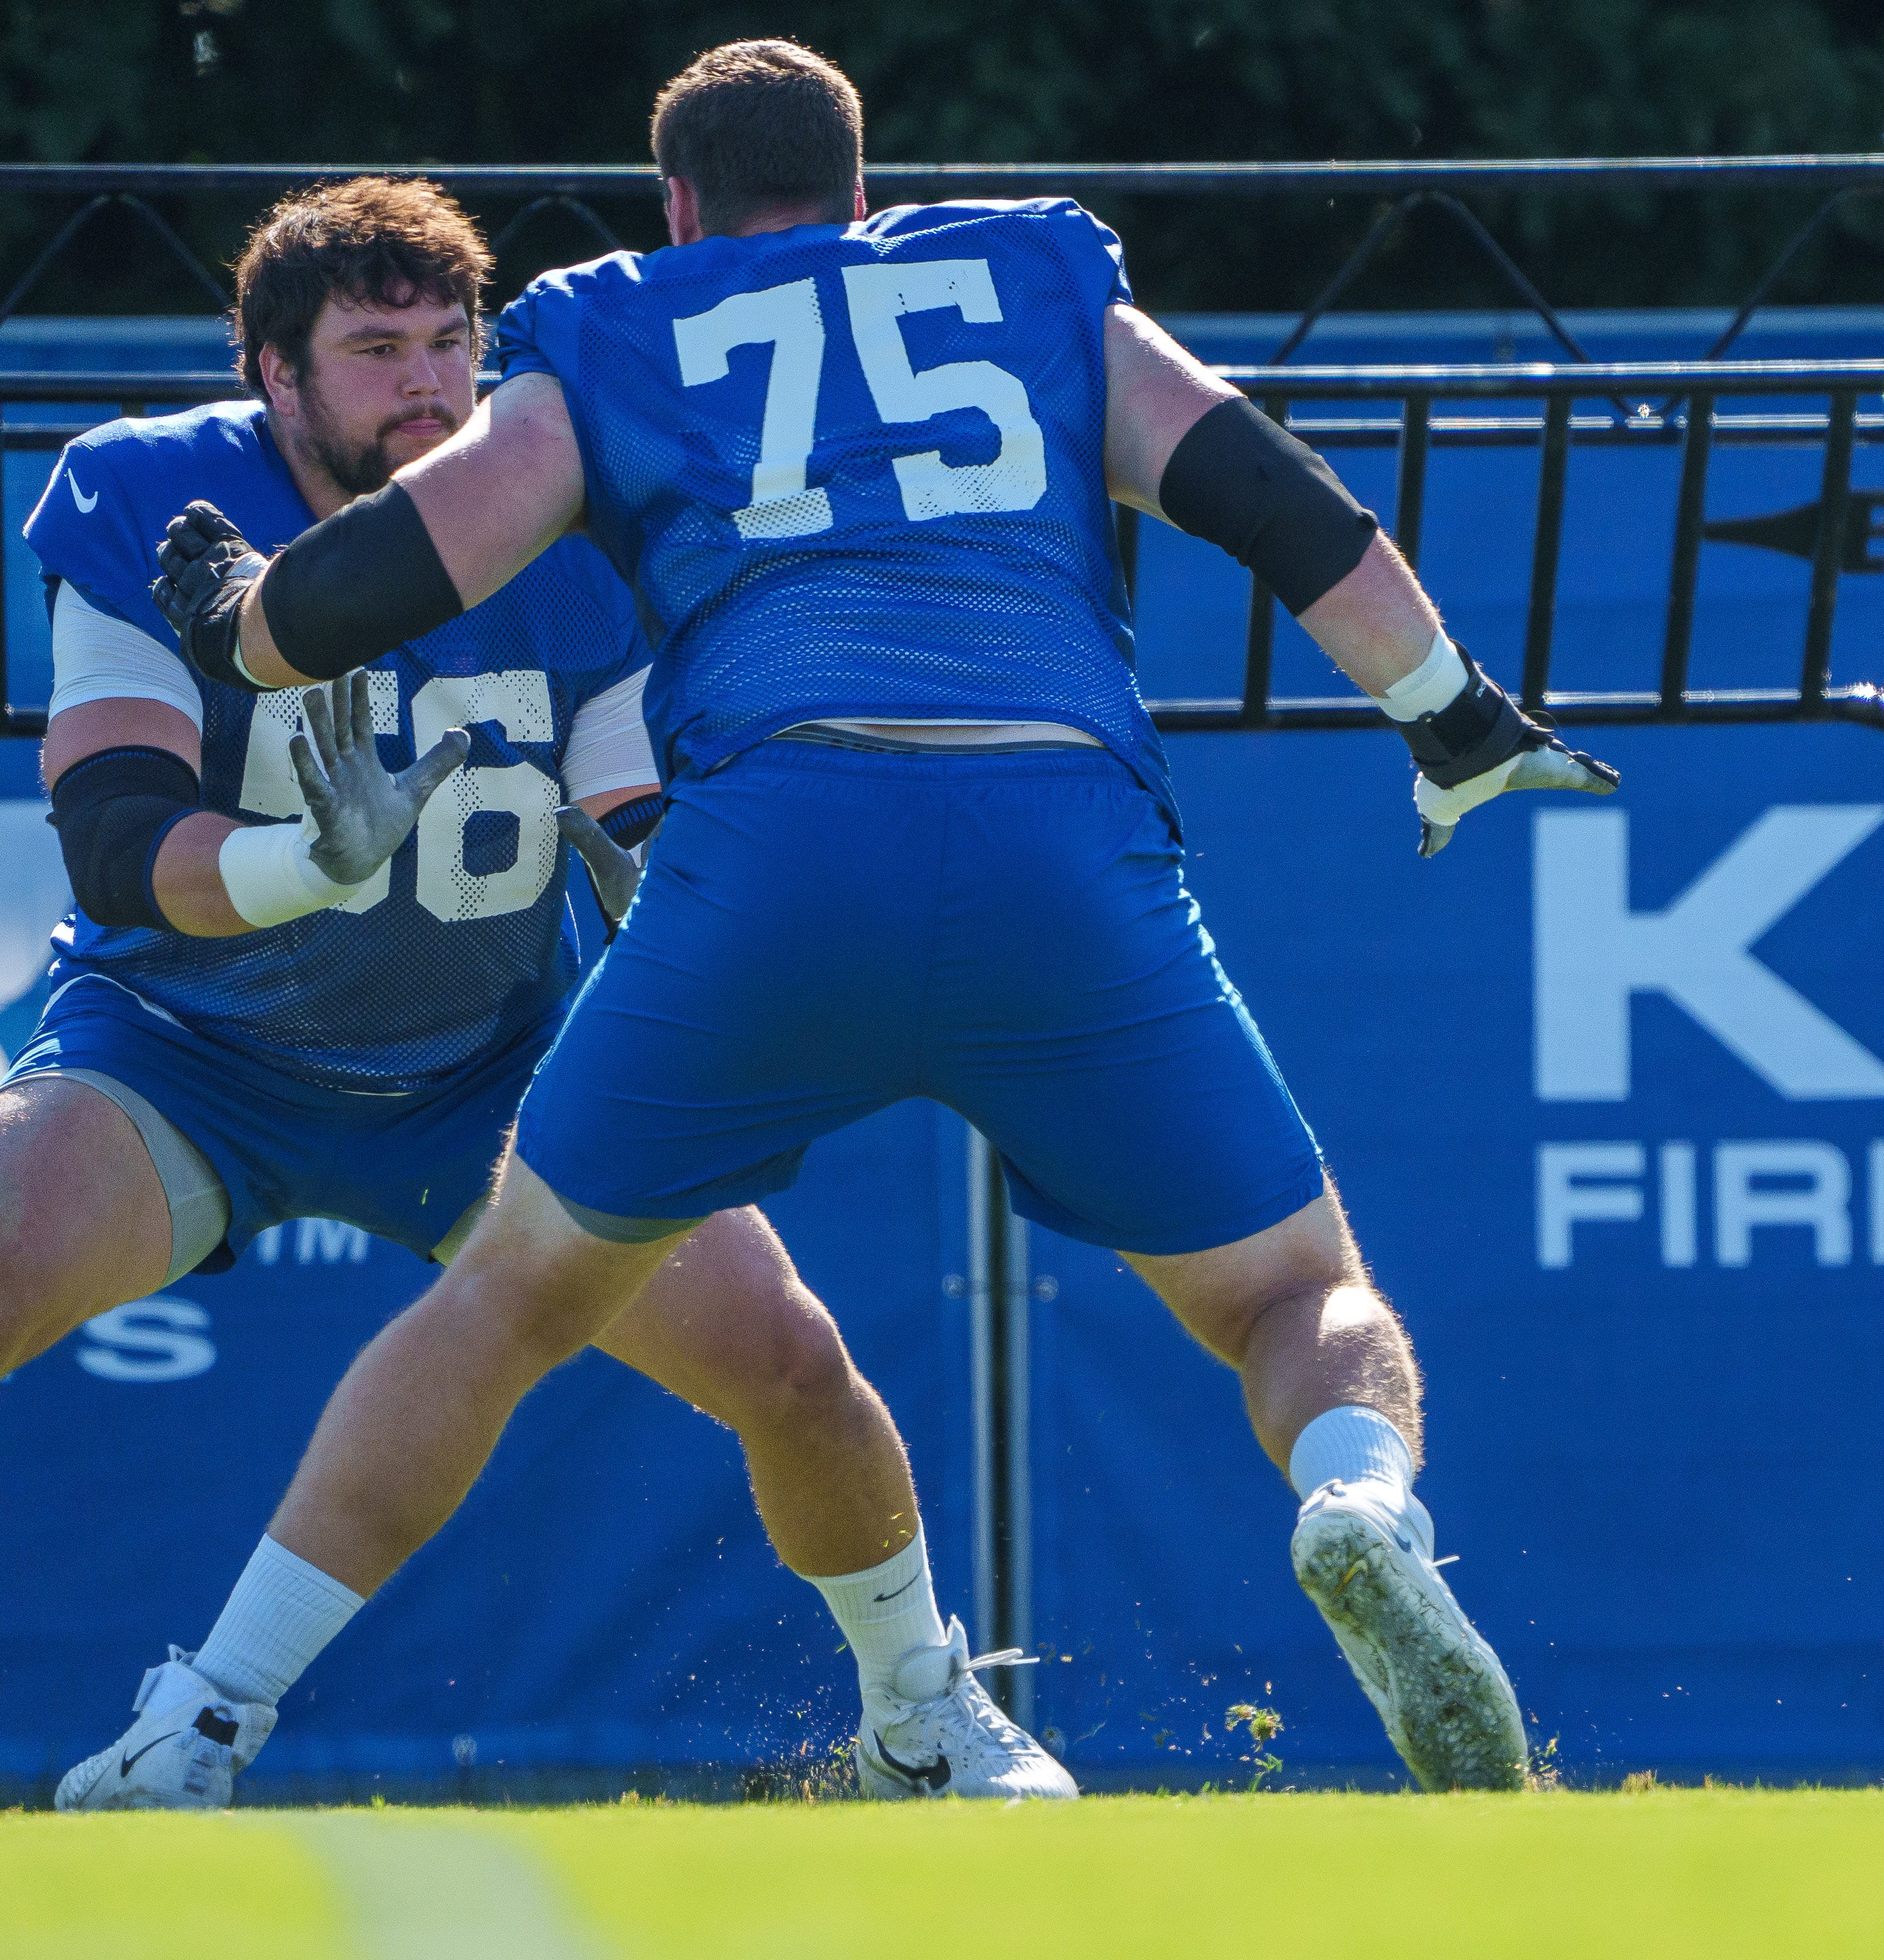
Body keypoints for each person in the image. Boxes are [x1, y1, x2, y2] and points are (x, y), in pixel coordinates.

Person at [146, 42, 1623, 1795]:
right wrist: (1443, 713)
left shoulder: (615, 317)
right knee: (1293, 1293)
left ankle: (207, 1720)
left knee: (510, 1299)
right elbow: (1261, 488)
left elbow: (410, 555)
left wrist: (244, 622)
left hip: (777, 841)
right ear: (863, 191)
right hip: (1057, 836)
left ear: (676, 205)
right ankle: (1359, 1501)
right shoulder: (1025, 275)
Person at [0, 176, 1069, 1818]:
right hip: (187, 1045)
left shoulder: (563, 506)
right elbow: (112, 837)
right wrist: (287, 871)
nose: (429, 384)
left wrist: (745, 903)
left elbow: (632, 812)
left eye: (451, 341)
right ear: (273, 374)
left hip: (495, 1067)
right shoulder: (148, 496)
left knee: (789, 1359)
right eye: (377, 348)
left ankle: (921, 1707)